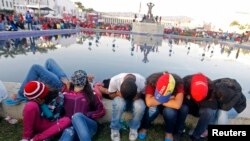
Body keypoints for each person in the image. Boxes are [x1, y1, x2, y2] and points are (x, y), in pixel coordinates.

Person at [59, 70, 106, 141]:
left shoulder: (92, 94)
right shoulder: (65, 95)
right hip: (71, 127)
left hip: (88, 126)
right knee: (68, 132)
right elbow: (60, 112)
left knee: (77, 116)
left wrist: (87, 115)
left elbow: (101, 111)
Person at [97, 73, 146, 141]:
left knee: (140, 106)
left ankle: (133, 128)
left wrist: (137, 96)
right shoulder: (114, 80)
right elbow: (111, 95)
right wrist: (117, 94)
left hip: (136, 97)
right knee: (118, 103)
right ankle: (115, 129)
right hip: (119, 96)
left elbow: (144, 95)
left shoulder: (142, 82)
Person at [4, 58, 71, 105]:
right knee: (49, 61)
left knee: (35, 68)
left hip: (61, 88)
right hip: (65, 85)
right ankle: (67, 83)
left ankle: (20, 96)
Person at [138, 72, 184, 141]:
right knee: (152, 109)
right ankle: (144, 128)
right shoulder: (152, 81)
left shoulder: (178, 84)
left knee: (170, 112)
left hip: (168, 106)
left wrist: (157, 100)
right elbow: (149, 103)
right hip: (167, 102)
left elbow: (177, 105)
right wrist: (169, 98)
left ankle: (169, 133)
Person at [179, 73, 217, 141]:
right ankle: (179, 131)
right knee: (183, 108)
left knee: (208, 112)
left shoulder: (211, 86)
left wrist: (192, 100)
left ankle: (196, 136)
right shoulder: (185, 82)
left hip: (200, 107)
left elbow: (213, 105)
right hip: (188, 105)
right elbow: (179, 99)